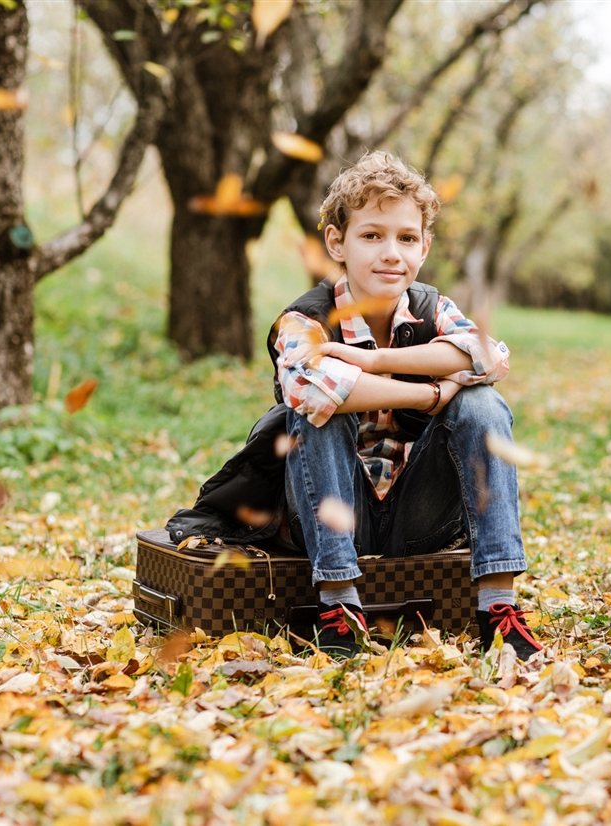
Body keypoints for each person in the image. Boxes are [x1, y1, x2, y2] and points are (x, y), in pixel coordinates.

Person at [176, 151, 541, 661]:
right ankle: (339, 607)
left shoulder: (432, 308)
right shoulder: (305, 320)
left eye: (407, 238)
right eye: (371, 235)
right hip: (329, 512)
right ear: (336, 243)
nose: (391, 254)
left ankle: (498, 609)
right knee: (322, 412)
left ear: (424, 247)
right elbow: (312, 391)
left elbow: (490, 357)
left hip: (418, 514)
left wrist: (374, 361)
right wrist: (431, 393)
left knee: (482, 404)